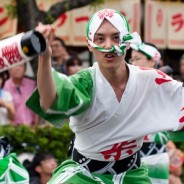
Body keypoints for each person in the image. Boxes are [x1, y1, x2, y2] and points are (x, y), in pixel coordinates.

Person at [26, 9, 184, 184]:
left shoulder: (150, 80)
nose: (109, 45)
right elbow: (49, 101)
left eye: (116, 37)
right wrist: (44, 56)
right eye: (100, 39)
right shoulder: (85, 82)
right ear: (89, 44)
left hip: (131, 175)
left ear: (128, 41)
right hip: (83, 176)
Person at [130, 42, 170, 183]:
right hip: (128, 157)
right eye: (132, 59)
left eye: (138, 58)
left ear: (152, 61)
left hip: (155, 156)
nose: (133, 63)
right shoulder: (127, 87)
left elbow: (167, 134)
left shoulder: (166, 88)